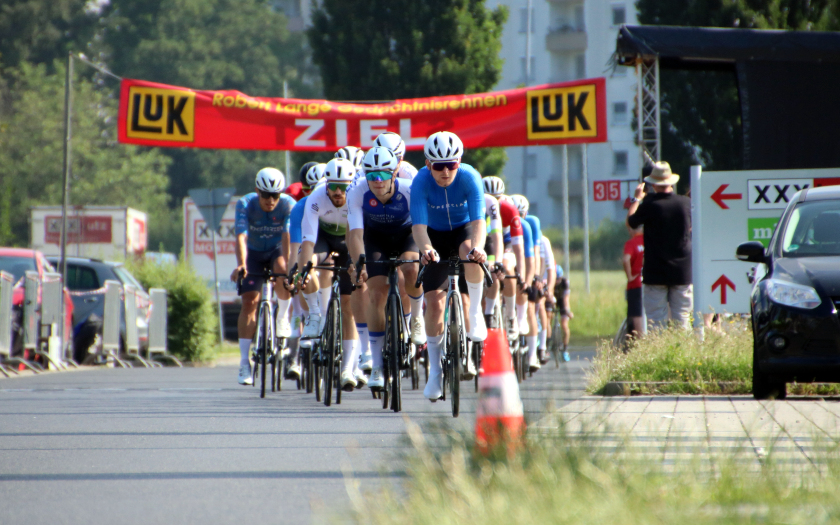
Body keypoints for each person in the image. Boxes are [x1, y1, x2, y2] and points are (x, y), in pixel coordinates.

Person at [410, 131, 487, 401]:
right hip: (434, 236)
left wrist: (478, 247)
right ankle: (435, 372)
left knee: (470, 251)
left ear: (459, 161)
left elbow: (479, 222)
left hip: (463, 231)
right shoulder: (419, 182)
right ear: (428, 164)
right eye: (438, 166)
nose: (445, 172)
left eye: (451, 164)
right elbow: (418, 227)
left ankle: (475, 313)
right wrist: (426, 249)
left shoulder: (470, 177)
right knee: (435, 304)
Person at [347, 147, 423, 390]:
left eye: (383, 175)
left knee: (411, 270)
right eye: (371, 176)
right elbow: (356, 234)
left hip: (406, 234)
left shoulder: (409, 190)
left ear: (395, 172)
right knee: (377, 294)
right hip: (375, 238)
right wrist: (360, 262)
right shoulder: (357, 192)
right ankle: (377, 365)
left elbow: (422, 228)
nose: (377, 181)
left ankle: (415, 319)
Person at [297, 157, 363, 390]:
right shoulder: (316, 198)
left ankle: (348, 368)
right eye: (332, 185)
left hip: (348, 239)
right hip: (323, 238)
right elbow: (308, 240)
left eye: (343, 186)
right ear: (325, 184)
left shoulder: (356, 197)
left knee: (348, 305)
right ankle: (315, 314)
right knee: (304, 265)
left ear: (351, 184)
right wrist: (305, 269)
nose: (337, 191)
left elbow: (356, 237)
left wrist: (357, 264)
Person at [230, 167, 295, 385]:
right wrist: (240, 264)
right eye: (265, 195)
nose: (270, 200)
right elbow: (240, 235)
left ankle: (283, 317)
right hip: (254, 253)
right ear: (257, 190)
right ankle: (244, 363)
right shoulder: (245, 204)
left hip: (277, 250)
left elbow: (287, 236)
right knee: (250, 301)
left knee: (282, 270)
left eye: (275, 195)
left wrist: (288, 270)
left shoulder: (288, 204)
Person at [626, 161, 693, 330]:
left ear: (653, 184)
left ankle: (660, 354)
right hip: (682, 271)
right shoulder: (685, 203)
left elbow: (632, 222)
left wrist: (636, 199)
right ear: (671, 182)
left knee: (657, 323)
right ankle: (683, 354)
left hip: (655, 271)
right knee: (682, 319)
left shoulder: (649, 205)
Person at [285, 162, 326, 380]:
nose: (313, 194)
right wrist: (293, 274)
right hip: (309, 249)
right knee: (302, 279)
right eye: (309, 190)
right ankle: (294, 356)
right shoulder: (301, 206)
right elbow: (295, 247)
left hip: (330, 249)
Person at [481, 177, 526, 338]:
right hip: (487, 240)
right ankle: (488, 312)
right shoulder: (479, 203)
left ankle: (511, 317)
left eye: (497, 198)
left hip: (505, 241)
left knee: (506, 267)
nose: (494, 202)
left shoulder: (509, 209)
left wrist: (521, 274)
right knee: (489, 269)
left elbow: (518, 248)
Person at [510, 194, 541, 373]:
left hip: (525, 265)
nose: (518, 218)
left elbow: (533, 256)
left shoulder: (529, 225)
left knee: (530, 305)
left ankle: (532, 356)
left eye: (521, 214)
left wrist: (531, 280)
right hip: (507, 266)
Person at [622, 224, 644, 342]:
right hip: (651, 283)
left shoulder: (631, 243)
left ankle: (642, 344)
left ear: (631, 230)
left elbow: (626, 259)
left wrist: (630, 276)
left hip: (635, 284)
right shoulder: (650, 240)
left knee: (637, 314)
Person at [553, 264, 572, 361]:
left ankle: (565, 349)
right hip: (551, 300)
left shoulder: (565, 283)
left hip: (562, 302)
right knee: (548, 316)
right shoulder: (548, 281)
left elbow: (566, 299)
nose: (556, 281)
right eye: (555, 279)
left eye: (558, 279)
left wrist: (568, 311)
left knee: (565, 326)